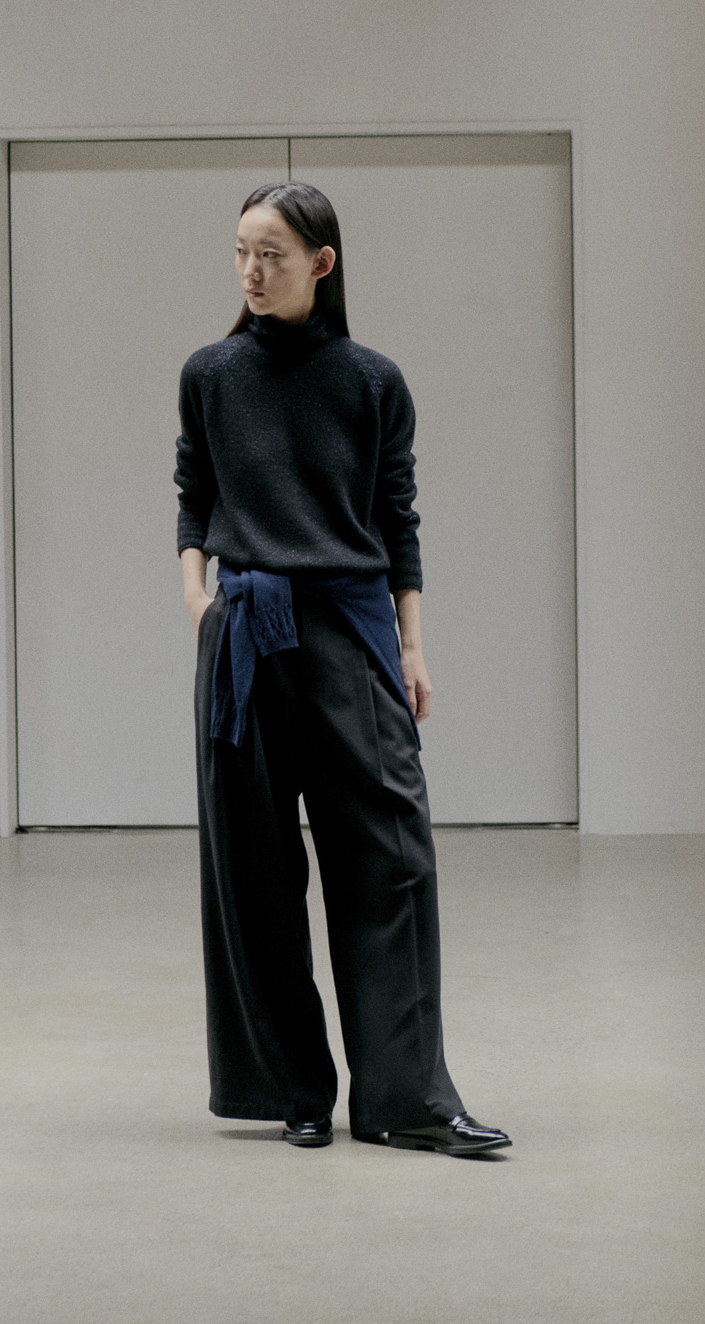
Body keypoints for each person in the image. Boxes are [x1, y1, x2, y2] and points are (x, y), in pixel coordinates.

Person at [174, 181, 510, 1158]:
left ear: (321, 264)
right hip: (245, 630)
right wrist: (196, 596)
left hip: (350, 630)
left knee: (391, 859)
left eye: (271, 254)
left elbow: (396, 518)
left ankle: (406, 1099)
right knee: (255, 868)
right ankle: (295, 1090)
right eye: (242, 251)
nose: (251, 270)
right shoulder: (210, 373)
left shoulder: (372, 381)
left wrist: (411, 645)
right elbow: (194, 489)